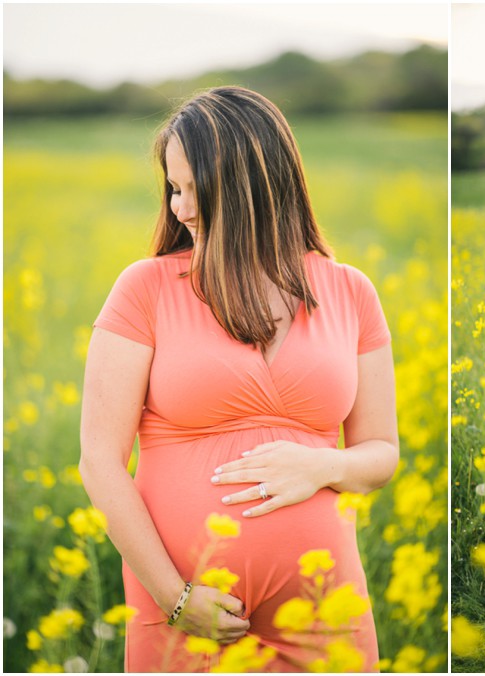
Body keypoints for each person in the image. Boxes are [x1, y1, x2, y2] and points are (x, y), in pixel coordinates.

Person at [79, 86, 399, 672]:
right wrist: (175, 599)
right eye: (173, 189)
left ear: (254, 189)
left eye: (196, 192)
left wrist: (328, 466)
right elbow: (99, 461)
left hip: (325, 612)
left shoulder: (350, 290)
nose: (180, 209)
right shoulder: (146, 289)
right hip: (187, 611)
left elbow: (381, 452)